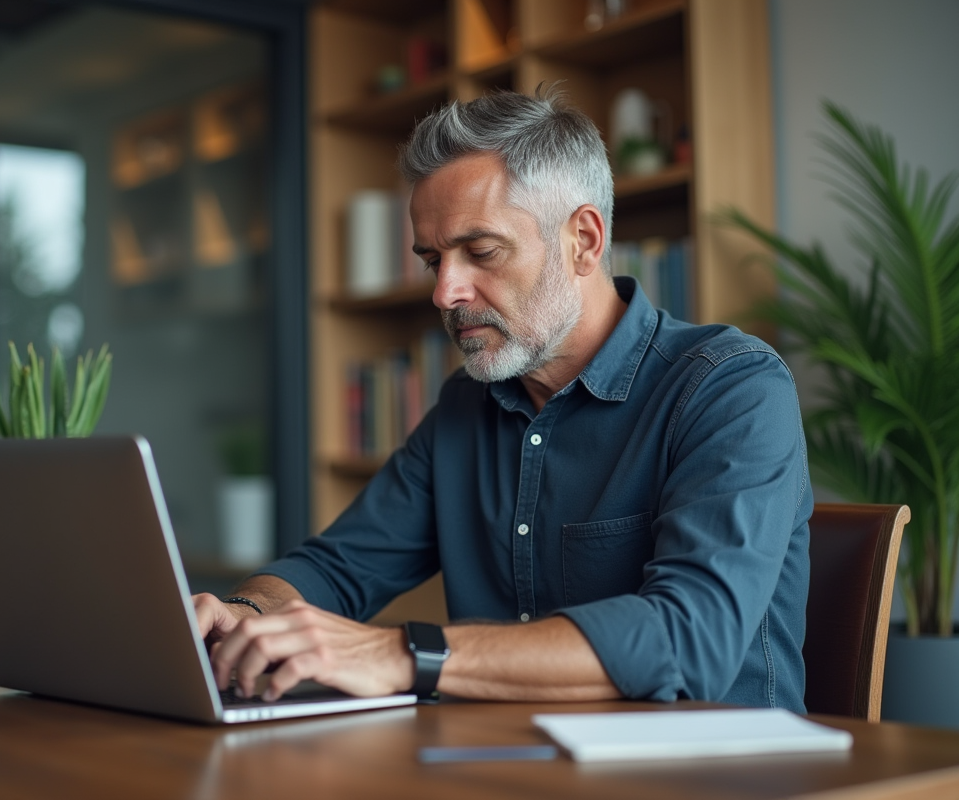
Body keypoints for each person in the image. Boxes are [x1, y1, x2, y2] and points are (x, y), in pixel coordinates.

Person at [194, 88, 812, 711]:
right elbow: (338, 568)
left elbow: (688, 640)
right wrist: (244, 613)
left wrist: (399, 654)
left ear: (584, 241)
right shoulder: (466, 407)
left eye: (480, 252)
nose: (444, 292)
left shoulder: (730, 389)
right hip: (508, 763)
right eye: (432, 260)